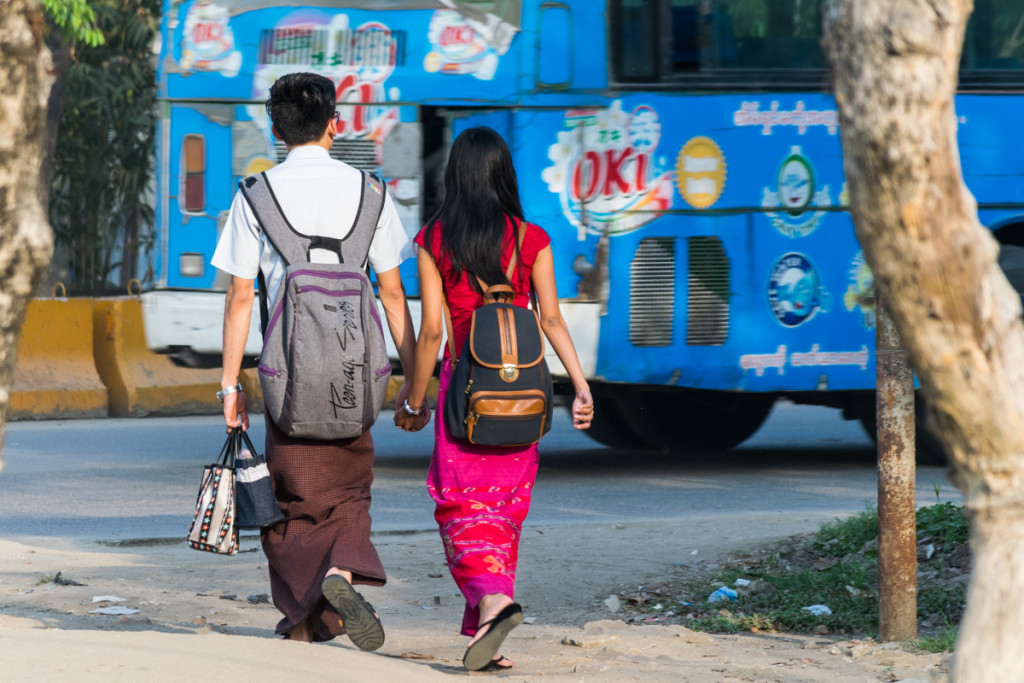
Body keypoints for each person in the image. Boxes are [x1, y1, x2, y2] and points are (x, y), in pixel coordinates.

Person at [212, 72, 417, 648]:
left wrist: (230, 386)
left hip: (287, 377)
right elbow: (396, 297)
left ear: (276, 130)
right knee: (350, 490)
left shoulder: (255, 194)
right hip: (357, 376)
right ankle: (338, 577)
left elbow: (240, 298)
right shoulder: (373, 194)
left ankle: (304, 621)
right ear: (336, 123)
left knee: (290, 497)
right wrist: (415, 381)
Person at [394, 126, 595, 671]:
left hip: (467, 395)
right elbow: (550, 318)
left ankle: (493, 600)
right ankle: (490, 619)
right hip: (524, 393)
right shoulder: (533, 240)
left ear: (453, 176)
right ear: (504, 175)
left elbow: (431, 332)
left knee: (460, 504)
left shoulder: (433, 241)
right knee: (504, 511)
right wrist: (578, 384)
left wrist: (415, 402)